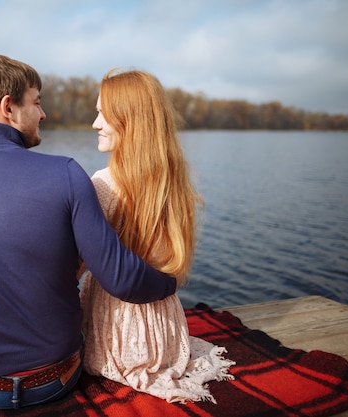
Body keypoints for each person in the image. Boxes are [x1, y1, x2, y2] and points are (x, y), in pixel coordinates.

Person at [0, 54, 178, 410]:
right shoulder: (66, 174)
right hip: (58, 378)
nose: (43, 114)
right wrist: (168, 282)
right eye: (37, 102)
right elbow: (122, 279)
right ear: (8, 108)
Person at [79, 69, 235, 403]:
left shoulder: (103, 184)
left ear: (130, 120)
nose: (95, 123)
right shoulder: (173, 182)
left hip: (118, 331)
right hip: (165, 330)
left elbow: (74, 267)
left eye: (103, 114)